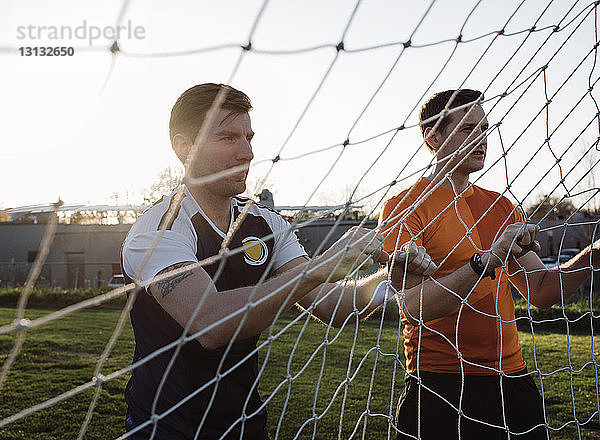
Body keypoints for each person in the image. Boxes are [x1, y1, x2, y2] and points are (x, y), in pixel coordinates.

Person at [121, 83, 434, 439]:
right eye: (227, 138)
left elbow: (330, 304)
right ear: (183, 147)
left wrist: (391, 280)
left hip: (245, 423)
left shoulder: (265, 223)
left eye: (248, 137)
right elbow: (209, 323)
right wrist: (321, 266)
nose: (246, 152)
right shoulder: (158, 229)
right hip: (166, 428)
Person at [379, 89, 600, 440]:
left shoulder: (501, 207)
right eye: (469, 129)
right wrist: (488, 260)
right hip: (440, 383)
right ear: (433, 137)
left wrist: (595, 254)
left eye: (484, 128)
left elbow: (540, 289)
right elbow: (413, 306)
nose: (482, 138)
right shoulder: (404, 206)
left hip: (512, 380)